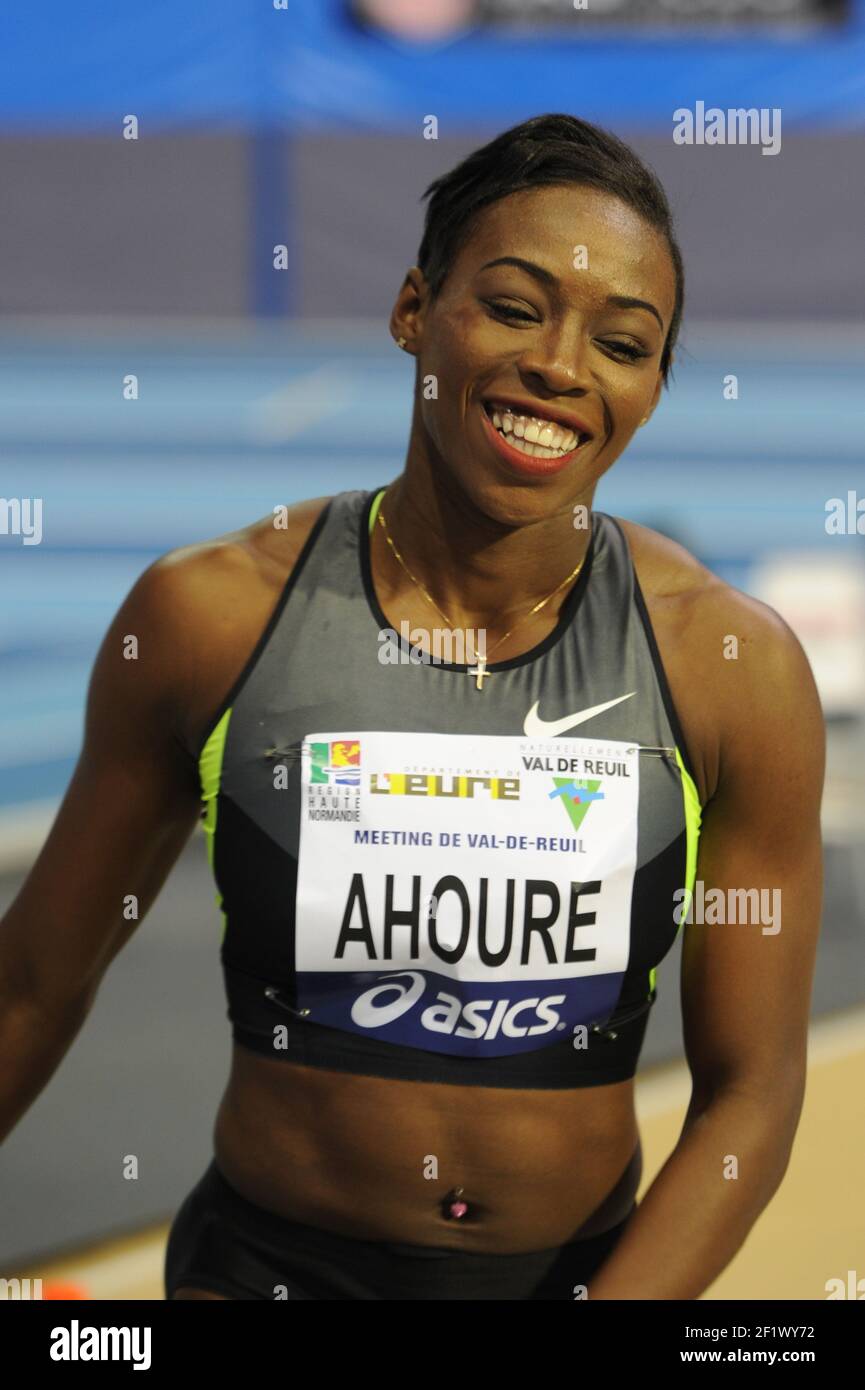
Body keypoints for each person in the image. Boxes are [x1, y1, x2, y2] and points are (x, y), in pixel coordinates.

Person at [0, 113, 824, 1300]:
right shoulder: (207, 618)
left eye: (624, 341)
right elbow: (32, 983)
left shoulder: (729, 669)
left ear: (650, 387)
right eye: (514, 305)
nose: (561, 365)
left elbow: (754, 1088)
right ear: (411, 312)